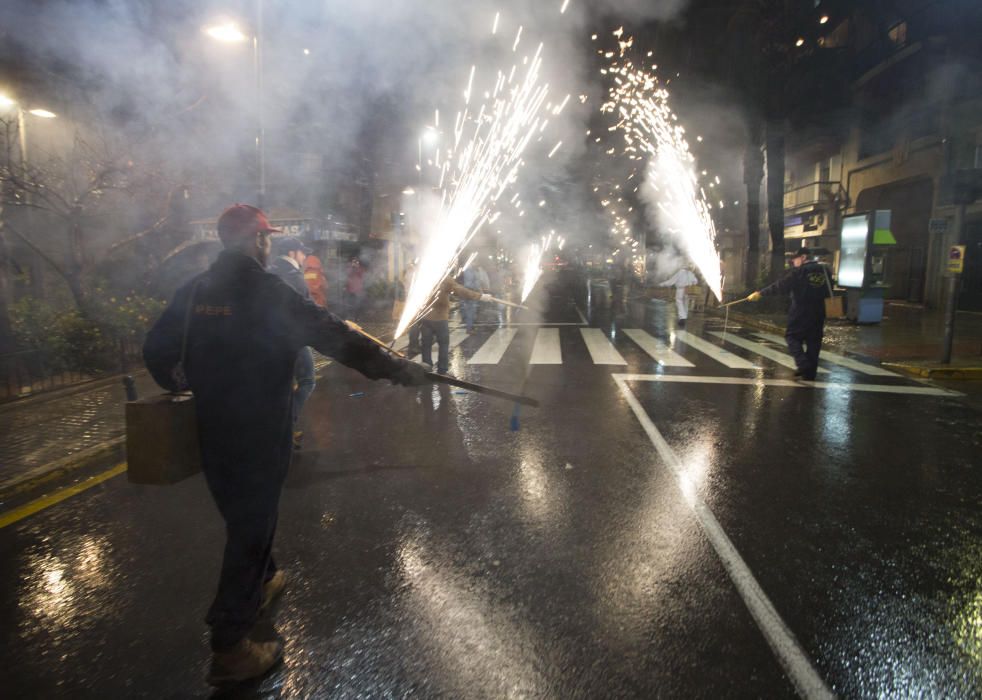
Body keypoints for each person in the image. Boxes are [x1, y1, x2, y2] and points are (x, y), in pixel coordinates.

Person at [143, 204, 426, 686]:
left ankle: (265, 577)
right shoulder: (269, 291)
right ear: (257, 241)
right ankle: (230, 644)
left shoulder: (194, 291)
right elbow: (337, 337)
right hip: (259, 426)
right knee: (252, 522)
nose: (269, 243)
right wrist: (397, 369)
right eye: (266, 237)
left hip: (211, 428)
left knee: (242, 511)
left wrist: (193, 385)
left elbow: (157, 351)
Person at [748, 246, 831, 380]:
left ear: (803, 257)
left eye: (795, 259)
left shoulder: (800, 272)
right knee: (814, 342)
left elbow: (781, 285)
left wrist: (761, 293)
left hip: (801, 310)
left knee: (792, 337)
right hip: (819, 311)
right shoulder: (825, 271)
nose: (793, 262)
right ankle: (810, 374)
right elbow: (829, 289)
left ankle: (803, 364)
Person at [269, 237, 316, 450]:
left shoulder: (269, 271)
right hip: (293, 338)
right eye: (301, 252)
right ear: (291, 253)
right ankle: (285, 426)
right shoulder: (294, 276)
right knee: (307, 380)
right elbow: (306, 310)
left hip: (271, 338)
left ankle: (278, 427)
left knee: (283, 385)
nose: (304, 256)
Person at [420, 276, 490, 374]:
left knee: (426, 345)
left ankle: (426, 369)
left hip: (425, 317)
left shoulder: (423, 277)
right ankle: (442, 370)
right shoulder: (444, 278)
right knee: (443, 344)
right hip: (440, 318)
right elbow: (461, 291)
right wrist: (480, 296)